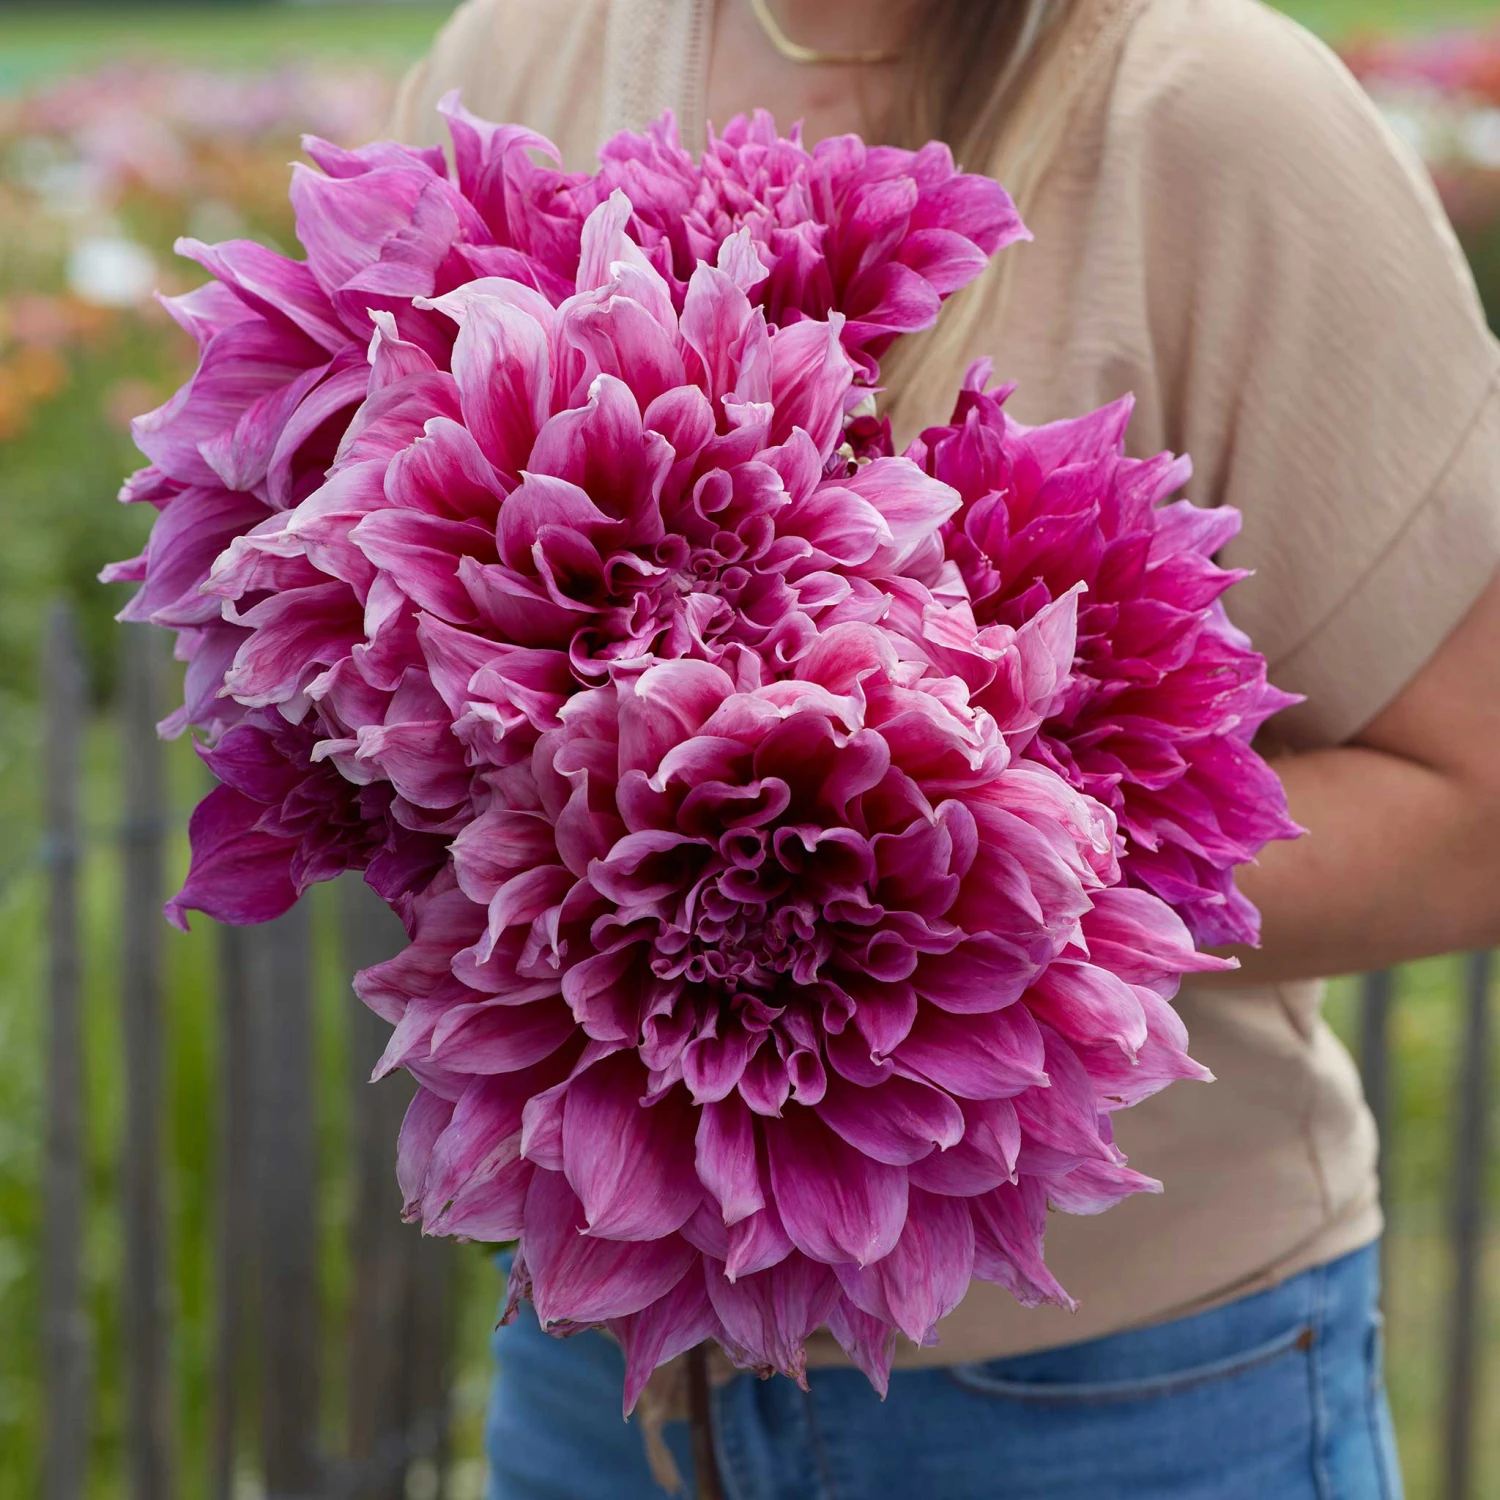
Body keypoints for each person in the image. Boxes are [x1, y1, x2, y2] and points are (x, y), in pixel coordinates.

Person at [391, 2, 1500, 1496]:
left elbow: (1479, 809)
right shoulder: (522, 55)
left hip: (1121, 1403)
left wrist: (970, 915)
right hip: (605, 1395)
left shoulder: (1214, 108)